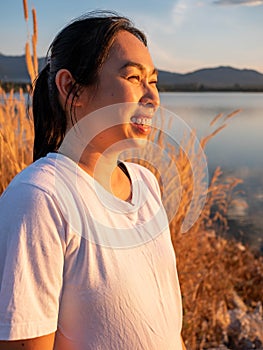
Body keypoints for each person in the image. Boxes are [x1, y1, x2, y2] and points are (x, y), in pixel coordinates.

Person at [0, 11, 186, 350]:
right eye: (133, 78)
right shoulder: (40, 198)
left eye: (154, 81)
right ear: (71, 88)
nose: (153, 98)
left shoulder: (146, 183)